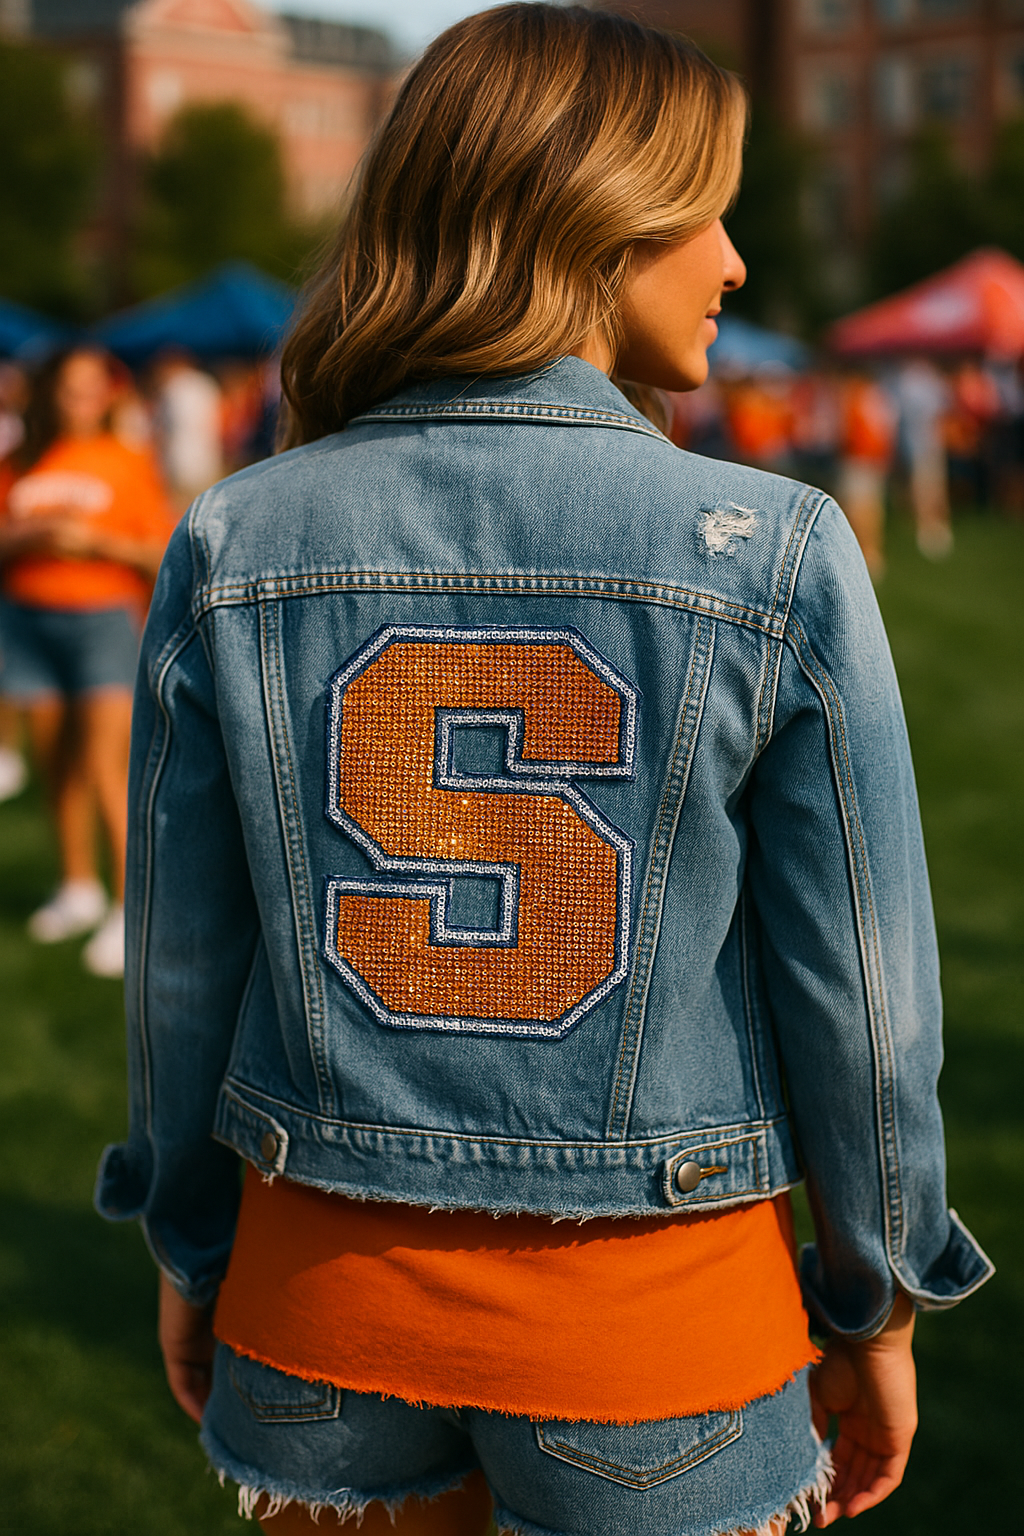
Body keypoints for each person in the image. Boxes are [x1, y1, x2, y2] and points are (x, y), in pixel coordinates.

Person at [96, 8, 993, 1536]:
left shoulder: (236, 536)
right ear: (590, 217)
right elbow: (862, 1001)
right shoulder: (773, 550)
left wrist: (192, 1248)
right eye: (703, 210)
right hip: (656, 1322)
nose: (736, 262)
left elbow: (182, 970)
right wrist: (879, 1292)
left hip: (319, 1307)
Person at [0, 347, 176, 975]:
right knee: (56, 765)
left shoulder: (127, 462)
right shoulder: (20, 461)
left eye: (93, 390)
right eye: (71, 390)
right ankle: (77, 886)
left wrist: (93, 541)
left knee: (108, 767)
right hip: (27, 620)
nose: (83, 402)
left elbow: (160, 555)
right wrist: (35, 536)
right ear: (49, 393)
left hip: (101, 621)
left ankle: (131, 911)